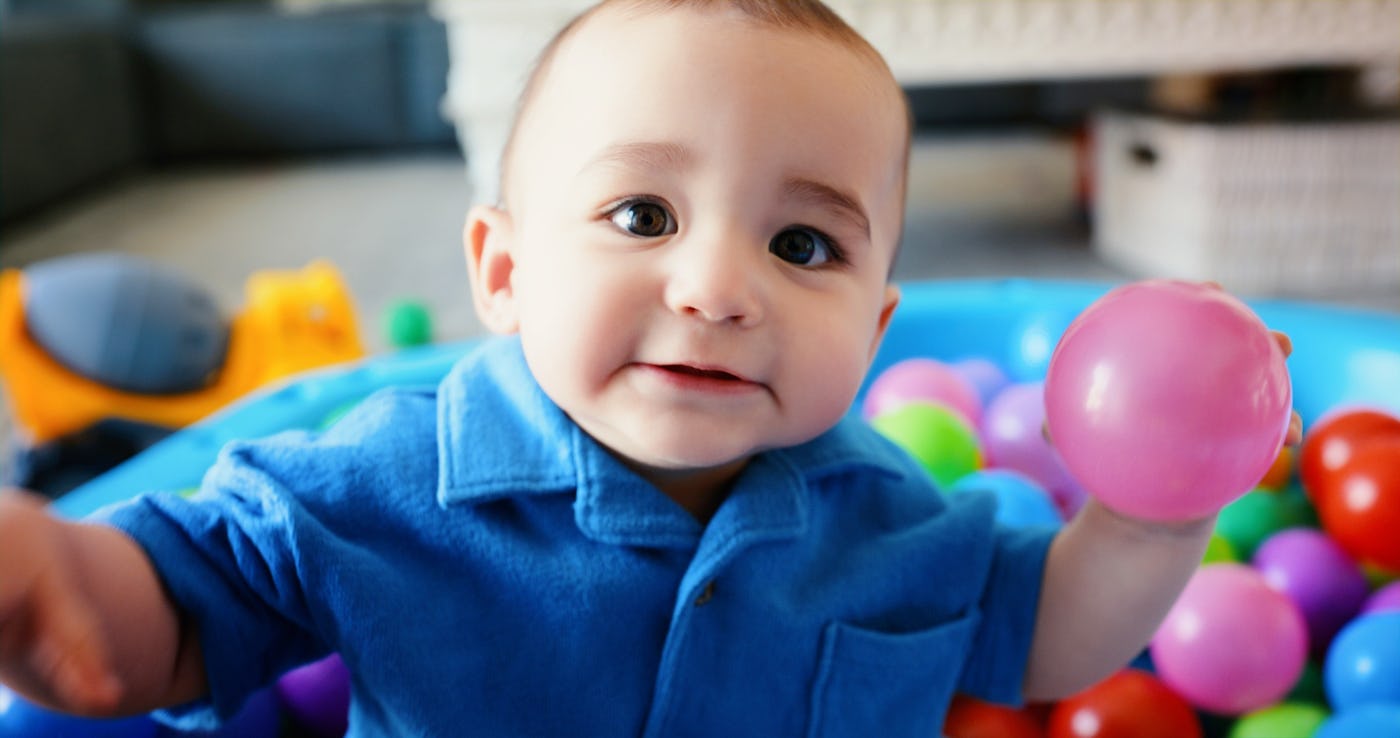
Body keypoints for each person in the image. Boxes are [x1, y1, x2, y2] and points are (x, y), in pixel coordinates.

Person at [0, 1, 1300, 736]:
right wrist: (55, 578)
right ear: (502, 272)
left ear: (878, 328)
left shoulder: (881, 505)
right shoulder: (386, 481)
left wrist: (1154, 506)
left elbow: (1038, 640)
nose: (720, 287)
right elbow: (167, 613)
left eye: (804, 242)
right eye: (642, 216)